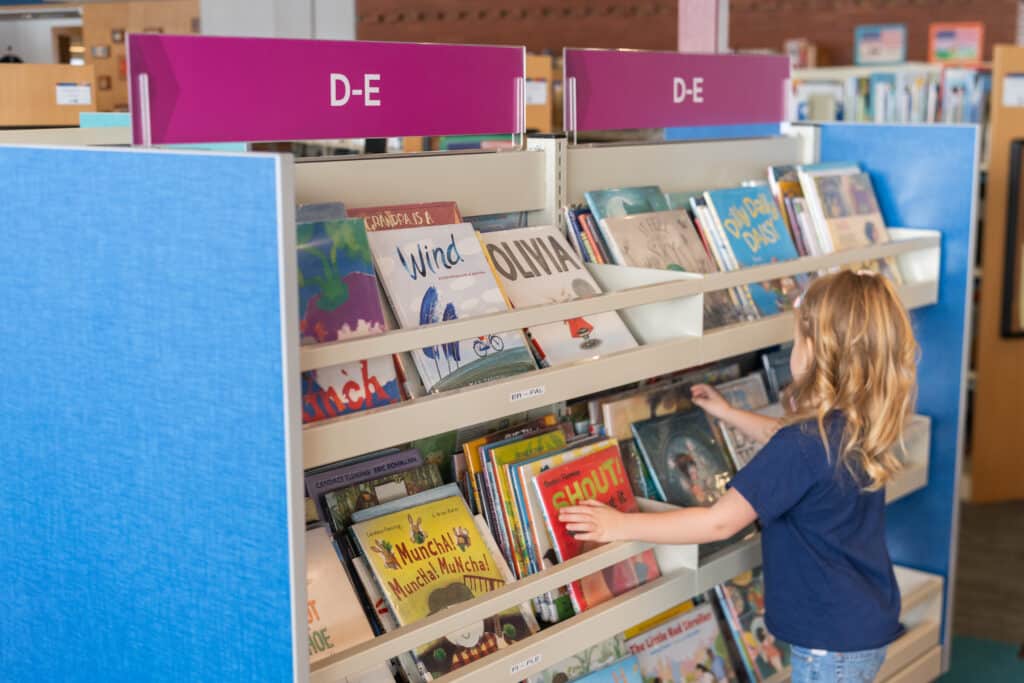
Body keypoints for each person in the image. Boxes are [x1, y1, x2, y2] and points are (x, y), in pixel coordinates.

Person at [559, 271, 913, 683]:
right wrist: (727, 414)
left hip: (828, 640)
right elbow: (783, 441)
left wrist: (619, 523)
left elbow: (718, 521)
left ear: (816, 351)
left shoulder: (801, 446)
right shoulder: (853, 425)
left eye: (797, 338)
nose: (794, 347)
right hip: (863, 620)